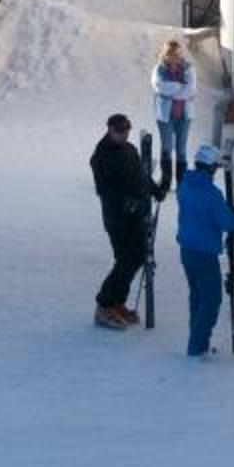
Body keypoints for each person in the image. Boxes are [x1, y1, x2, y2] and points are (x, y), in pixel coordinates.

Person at [173, 142, 234, 358]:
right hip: (204, 254)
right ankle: (197, 346)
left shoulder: (184, 185)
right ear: (211, 167)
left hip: (186, 250)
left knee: (197, 296)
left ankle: (196, 342)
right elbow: (227, 223)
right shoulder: (211, 194)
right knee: (211, 299)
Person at [90, 112, 153, 330]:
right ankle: (104, 304)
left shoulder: (130, 150)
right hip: (118, 219)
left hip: (135, 215)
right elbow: (107, 191)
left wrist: (155, 189)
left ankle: (118, 302)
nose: (124, 134)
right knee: (126, 260)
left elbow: (140, 176)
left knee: (137, 257)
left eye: (127, 129)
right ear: (110, 130)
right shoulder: (101, 156)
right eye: (119, 130)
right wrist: (129, 204)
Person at [149, 39, 195, 195]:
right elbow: (160, 86)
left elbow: (190, 90)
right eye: (170, 53)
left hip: (184, 116)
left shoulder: (188, 68)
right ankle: (166, 182)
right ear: (165, 54)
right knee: (166, 148)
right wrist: (180, 87)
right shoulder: (159, 69)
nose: (173, 56)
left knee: (181, 150)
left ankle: (182, 184)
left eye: (176, 53)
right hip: (165, 116)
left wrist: (172, 92)